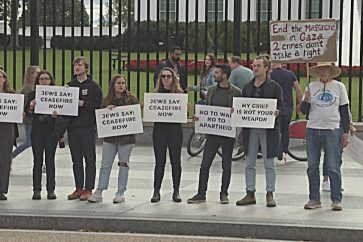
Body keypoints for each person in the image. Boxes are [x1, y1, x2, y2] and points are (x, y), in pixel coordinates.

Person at [187, 64, 241, 204]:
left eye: (216, 73)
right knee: (205, 164)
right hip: (212, 133)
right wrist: (200, 117)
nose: (213, 75)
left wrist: (235, 112)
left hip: (227, 134)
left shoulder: (236, 92)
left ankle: (224, 193)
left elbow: (239, 112)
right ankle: (201, 193)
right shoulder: (211, 90)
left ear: (224, 75)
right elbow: (207, 107)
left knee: (226, 165)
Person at [235, 55, 284, 208]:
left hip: (268, 130)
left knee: (269, 163)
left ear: (266, 68)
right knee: (249, 162)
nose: (254, 68)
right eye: (254, 65)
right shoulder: (247, 86)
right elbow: (243, 105)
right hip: (251, 130)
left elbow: (283, 106)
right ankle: (250, 192)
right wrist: (237, 110)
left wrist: (277, 112)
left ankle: (270, 193)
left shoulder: (275, 87)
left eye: (258, 66)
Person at [300, 62, 350, 211]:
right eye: (320, 70)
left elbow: (344, 111)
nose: (323, 72)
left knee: (333, 166)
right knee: (312, 166)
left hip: (333, 129)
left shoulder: (339, 87)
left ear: (330, 71)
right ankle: (314, 198)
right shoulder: (311, 87)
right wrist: (306, 99)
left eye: (325, 69)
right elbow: (303, 111)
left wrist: (346, 132)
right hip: (313, 129)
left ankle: (336, 199)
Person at [88, 74, 138, 203]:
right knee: (105, 164)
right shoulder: (106, 100)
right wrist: (106, 110)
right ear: (113, 85)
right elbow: (101, 116)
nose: (121, 85)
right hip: (110, 138)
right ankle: (100, 190)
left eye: (123, 83)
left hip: (126, 139)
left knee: (123, 164)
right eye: (118, 83)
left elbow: (134, 115)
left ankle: (120, 192)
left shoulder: (131, 99)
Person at [67, 56, 103, 201]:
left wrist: (83, 104)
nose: (77, 67)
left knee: (89, 158)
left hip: (88, 127)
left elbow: (98, 105)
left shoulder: (93, 86)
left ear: (86, 68)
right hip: (73, 127)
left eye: (80, 65)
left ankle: (88, 188)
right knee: (76, 159)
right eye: (75, 65)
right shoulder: (69, 86)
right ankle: (78, 187)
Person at [151, 67, 184, 203]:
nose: (165, 79)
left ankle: (176, 190)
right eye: (163, 76)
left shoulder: (179, 94)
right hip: (159, 131)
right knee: (160, 162)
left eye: (168, 76)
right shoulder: (155, 94)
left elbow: (183, 115)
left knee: (176, 161)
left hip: (175, 131)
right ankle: (156, 190)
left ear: (173, 78)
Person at [25, 70, 60, 200]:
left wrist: (57, 115)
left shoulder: (56, 94)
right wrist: (31, 107)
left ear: (51, 81)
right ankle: (36, 189)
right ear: (37, 81)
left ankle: (51, 190)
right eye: (41, 79)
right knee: (37, 161)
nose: (44, 81)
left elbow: (64, 110)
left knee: (50, 161)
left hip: (51, 131)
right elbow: (27, 114)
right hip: (37, 131)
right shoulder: (32, 94)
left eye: (47, 79)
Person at [270, 63, 302, 163]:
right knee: (285, 130)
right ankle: (284, 152)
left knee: (275, 130)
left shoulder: (269, 74)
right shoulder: (290, 74)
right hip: (288, 106)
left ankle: (278, 153)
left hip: (274, 106)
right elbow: (298, 90)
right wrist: (299, 104)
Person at [12, 66, 40, 159]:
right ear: (31, 75)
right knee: (29, 142)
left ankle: (40, 162)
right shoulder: (27, 89)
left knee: (37, 141)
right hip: (29, 119)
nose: (39, 74)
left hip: (36, 119)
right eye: (37, 73)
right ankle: (10, 156)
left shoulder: (37, 87)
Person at [0, 69, 17, 201]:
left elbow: (17, 111)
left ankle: (2, 189)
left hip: (7, 129)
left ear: (5, 79)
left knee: (5, 159)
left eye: (1, 77)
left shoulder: (11, 94)